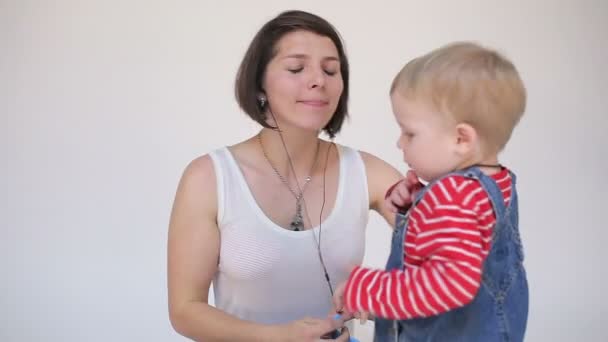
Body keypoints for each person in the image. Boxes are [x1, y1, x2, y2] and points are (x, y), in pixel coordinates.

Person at [167, 10, 404, 341]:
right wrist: (277, 337)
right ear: (259, 83)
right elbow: (185, 310)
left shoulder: (371, 173)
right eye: (296, 68)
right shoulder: (209, 178)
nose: (318, 80)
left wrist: (383, 290)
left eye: (331, 70)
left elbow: (451, 257)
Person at [333, 42, 529, 341]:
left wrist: (367, 290)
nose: (400, 143)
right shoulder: (496, 184)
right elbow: (454, 246)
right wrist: (414, 206)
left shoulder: (452, 196)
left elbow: (449, 283)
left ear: (461, 139)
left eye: (409, 132)